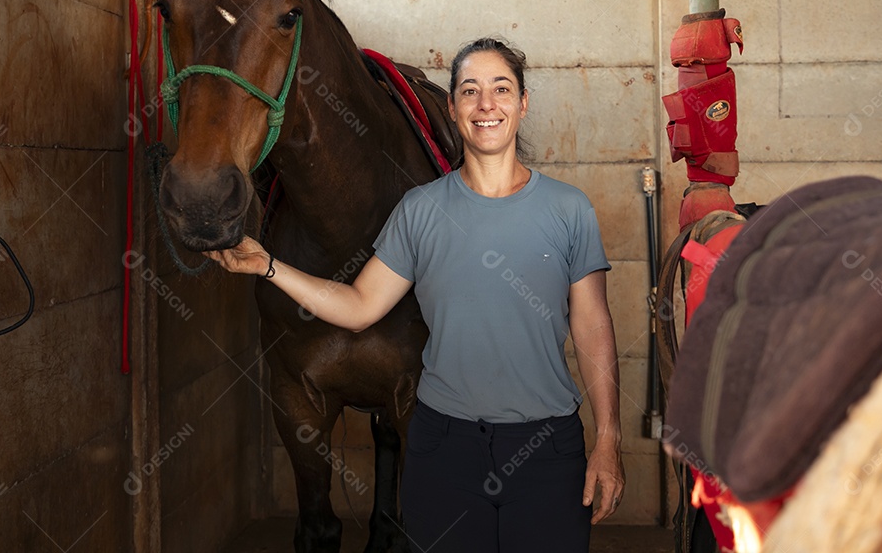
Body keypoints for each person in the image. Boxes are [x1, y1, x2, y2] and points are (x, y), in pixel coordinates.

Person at [206, 38, 625, 552]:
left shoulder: (569, 210)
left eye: (501, 89)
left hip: (547, 447)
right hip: (443, 450)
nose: (486, 104)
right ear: (451, 108)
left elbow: (592, 328)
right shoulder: (420, 211)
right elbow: (359, 308)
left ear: (523, 102)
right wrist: (268, 266)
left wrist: (608, 438)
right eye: (470, 91)